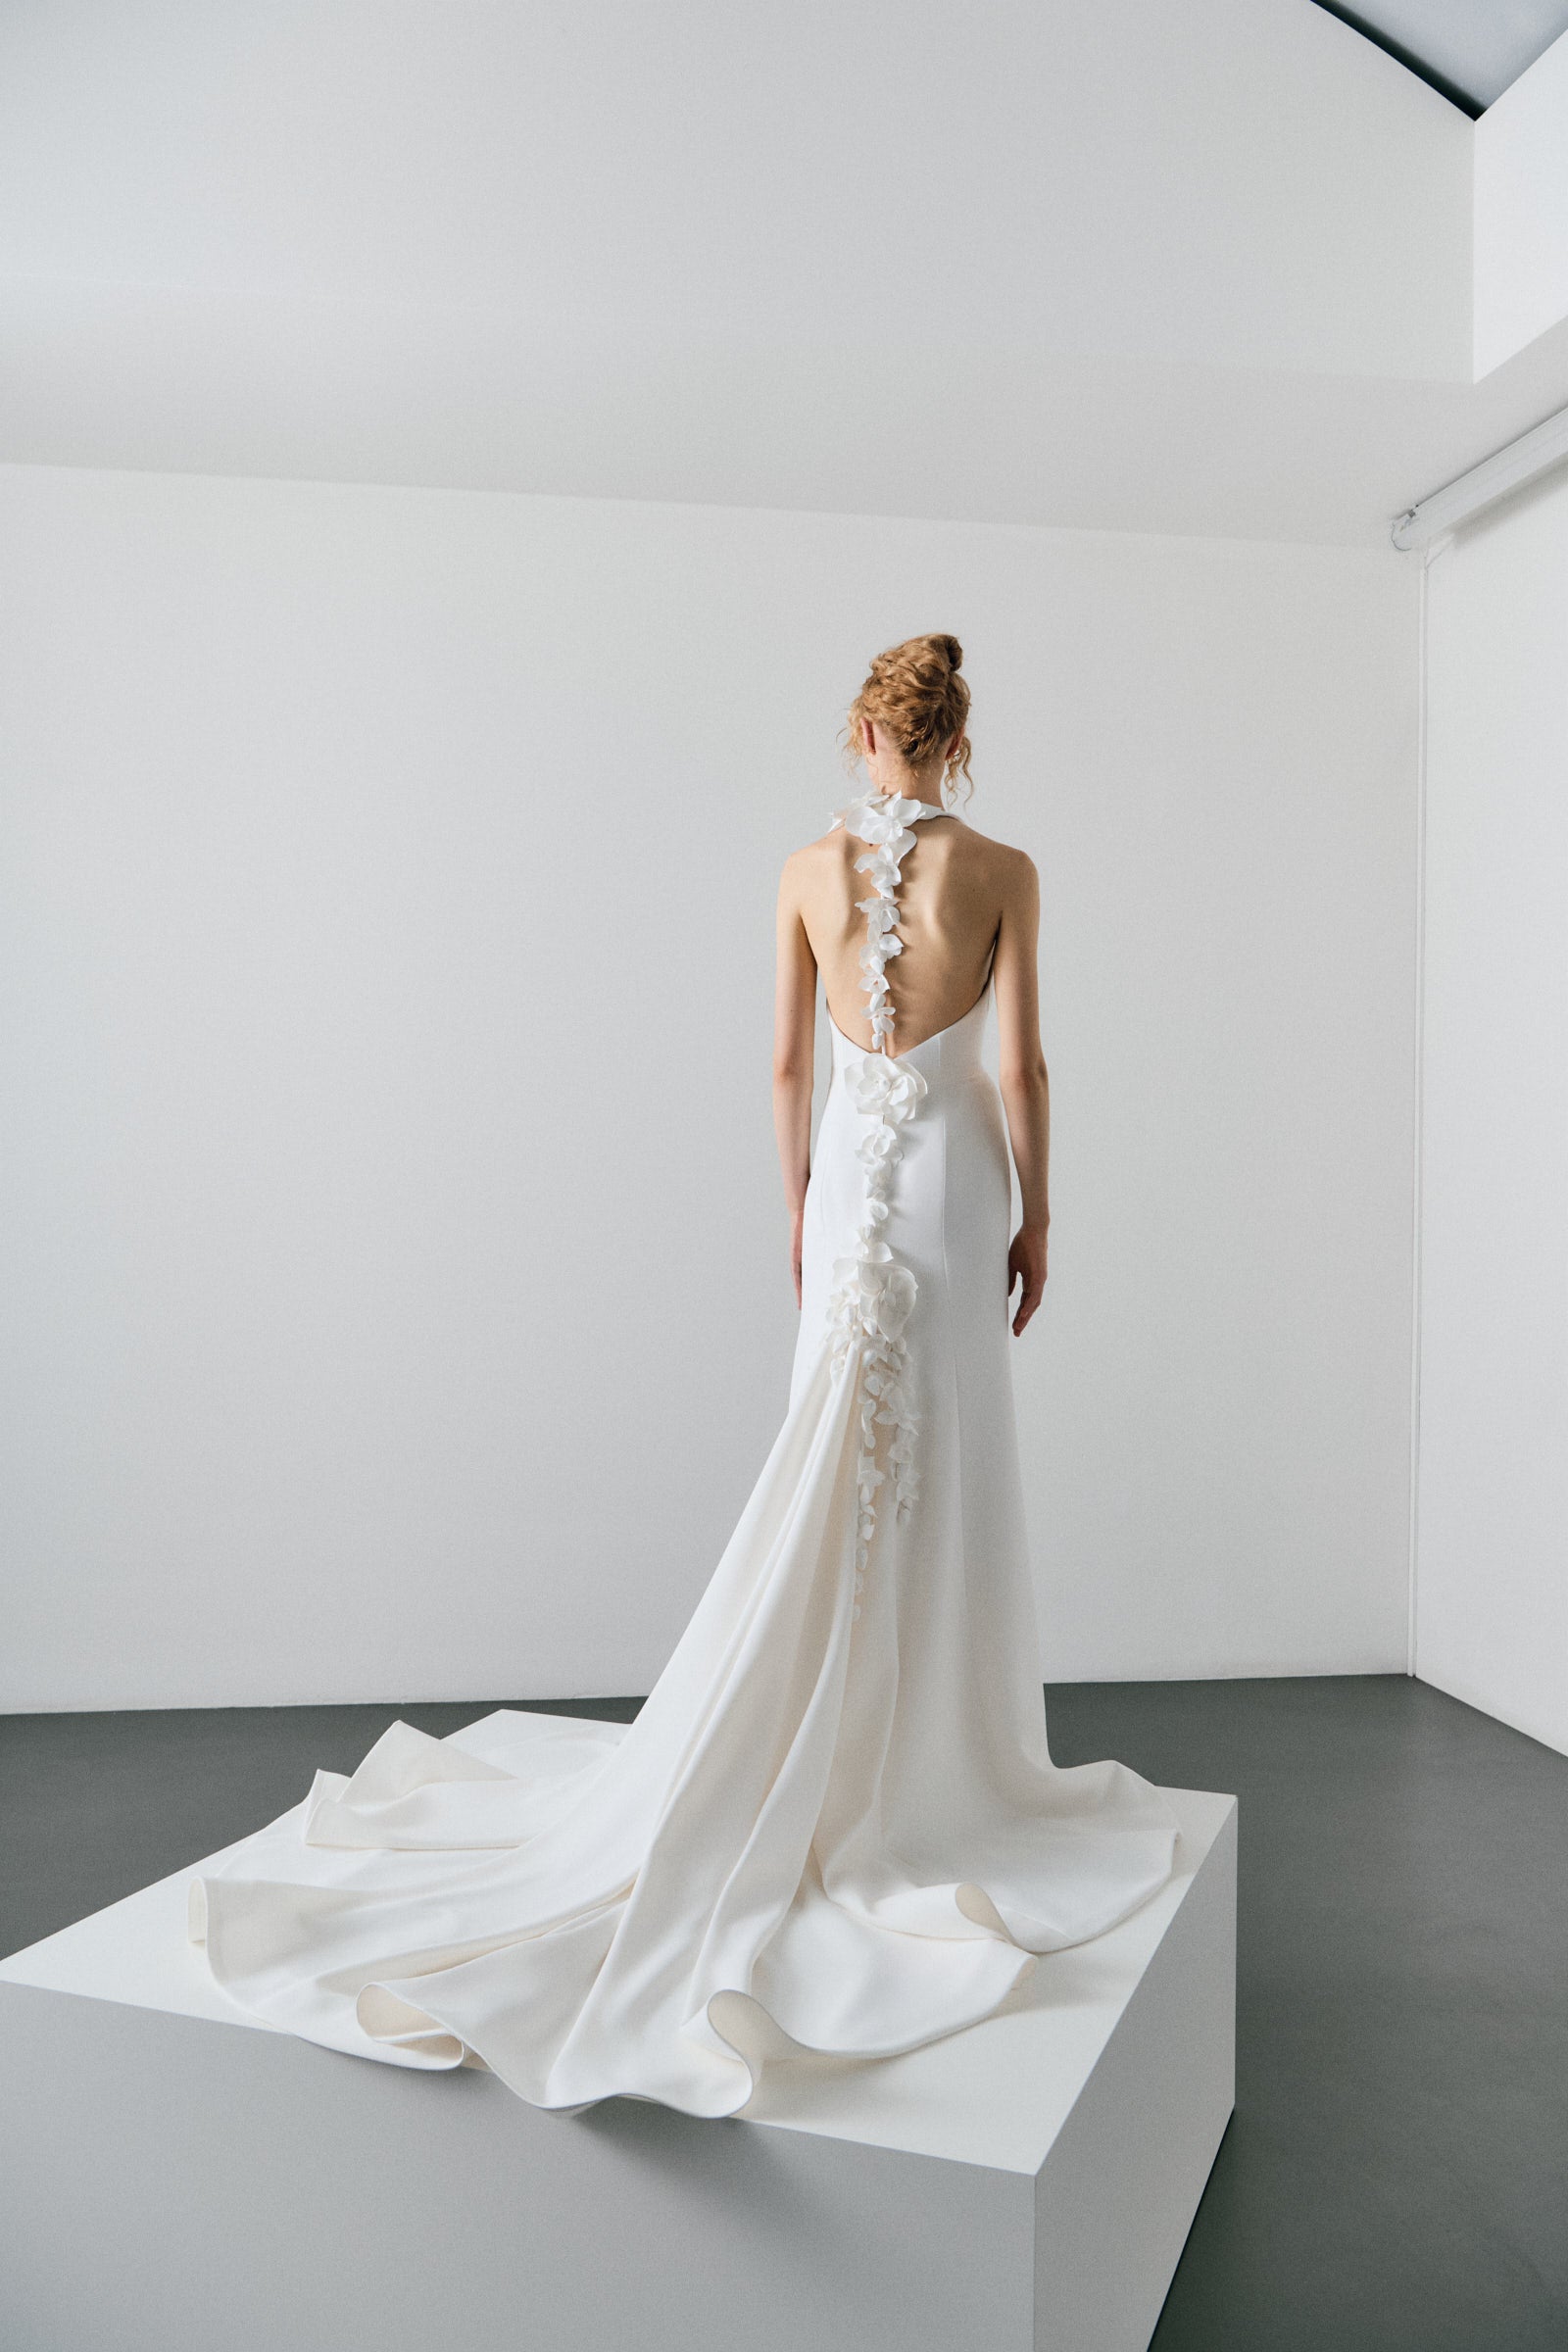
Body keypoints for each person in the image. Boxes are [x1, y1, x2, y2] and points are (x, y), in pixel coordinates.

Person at [190, 633, 1179, 2120]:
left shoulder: (800, 871)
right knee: (949, 1445)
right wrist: (1043, 1212)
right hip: (958, 1184)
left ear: (862, 732)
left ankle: (809, 1741)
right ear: (956, 739)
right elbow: (1023, 1069)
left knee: (829, 1439)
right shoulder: (1010, 872)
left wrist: (797, 1205)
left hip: (854, 1178)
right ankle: (928, 1762)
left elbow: (788, 1071)